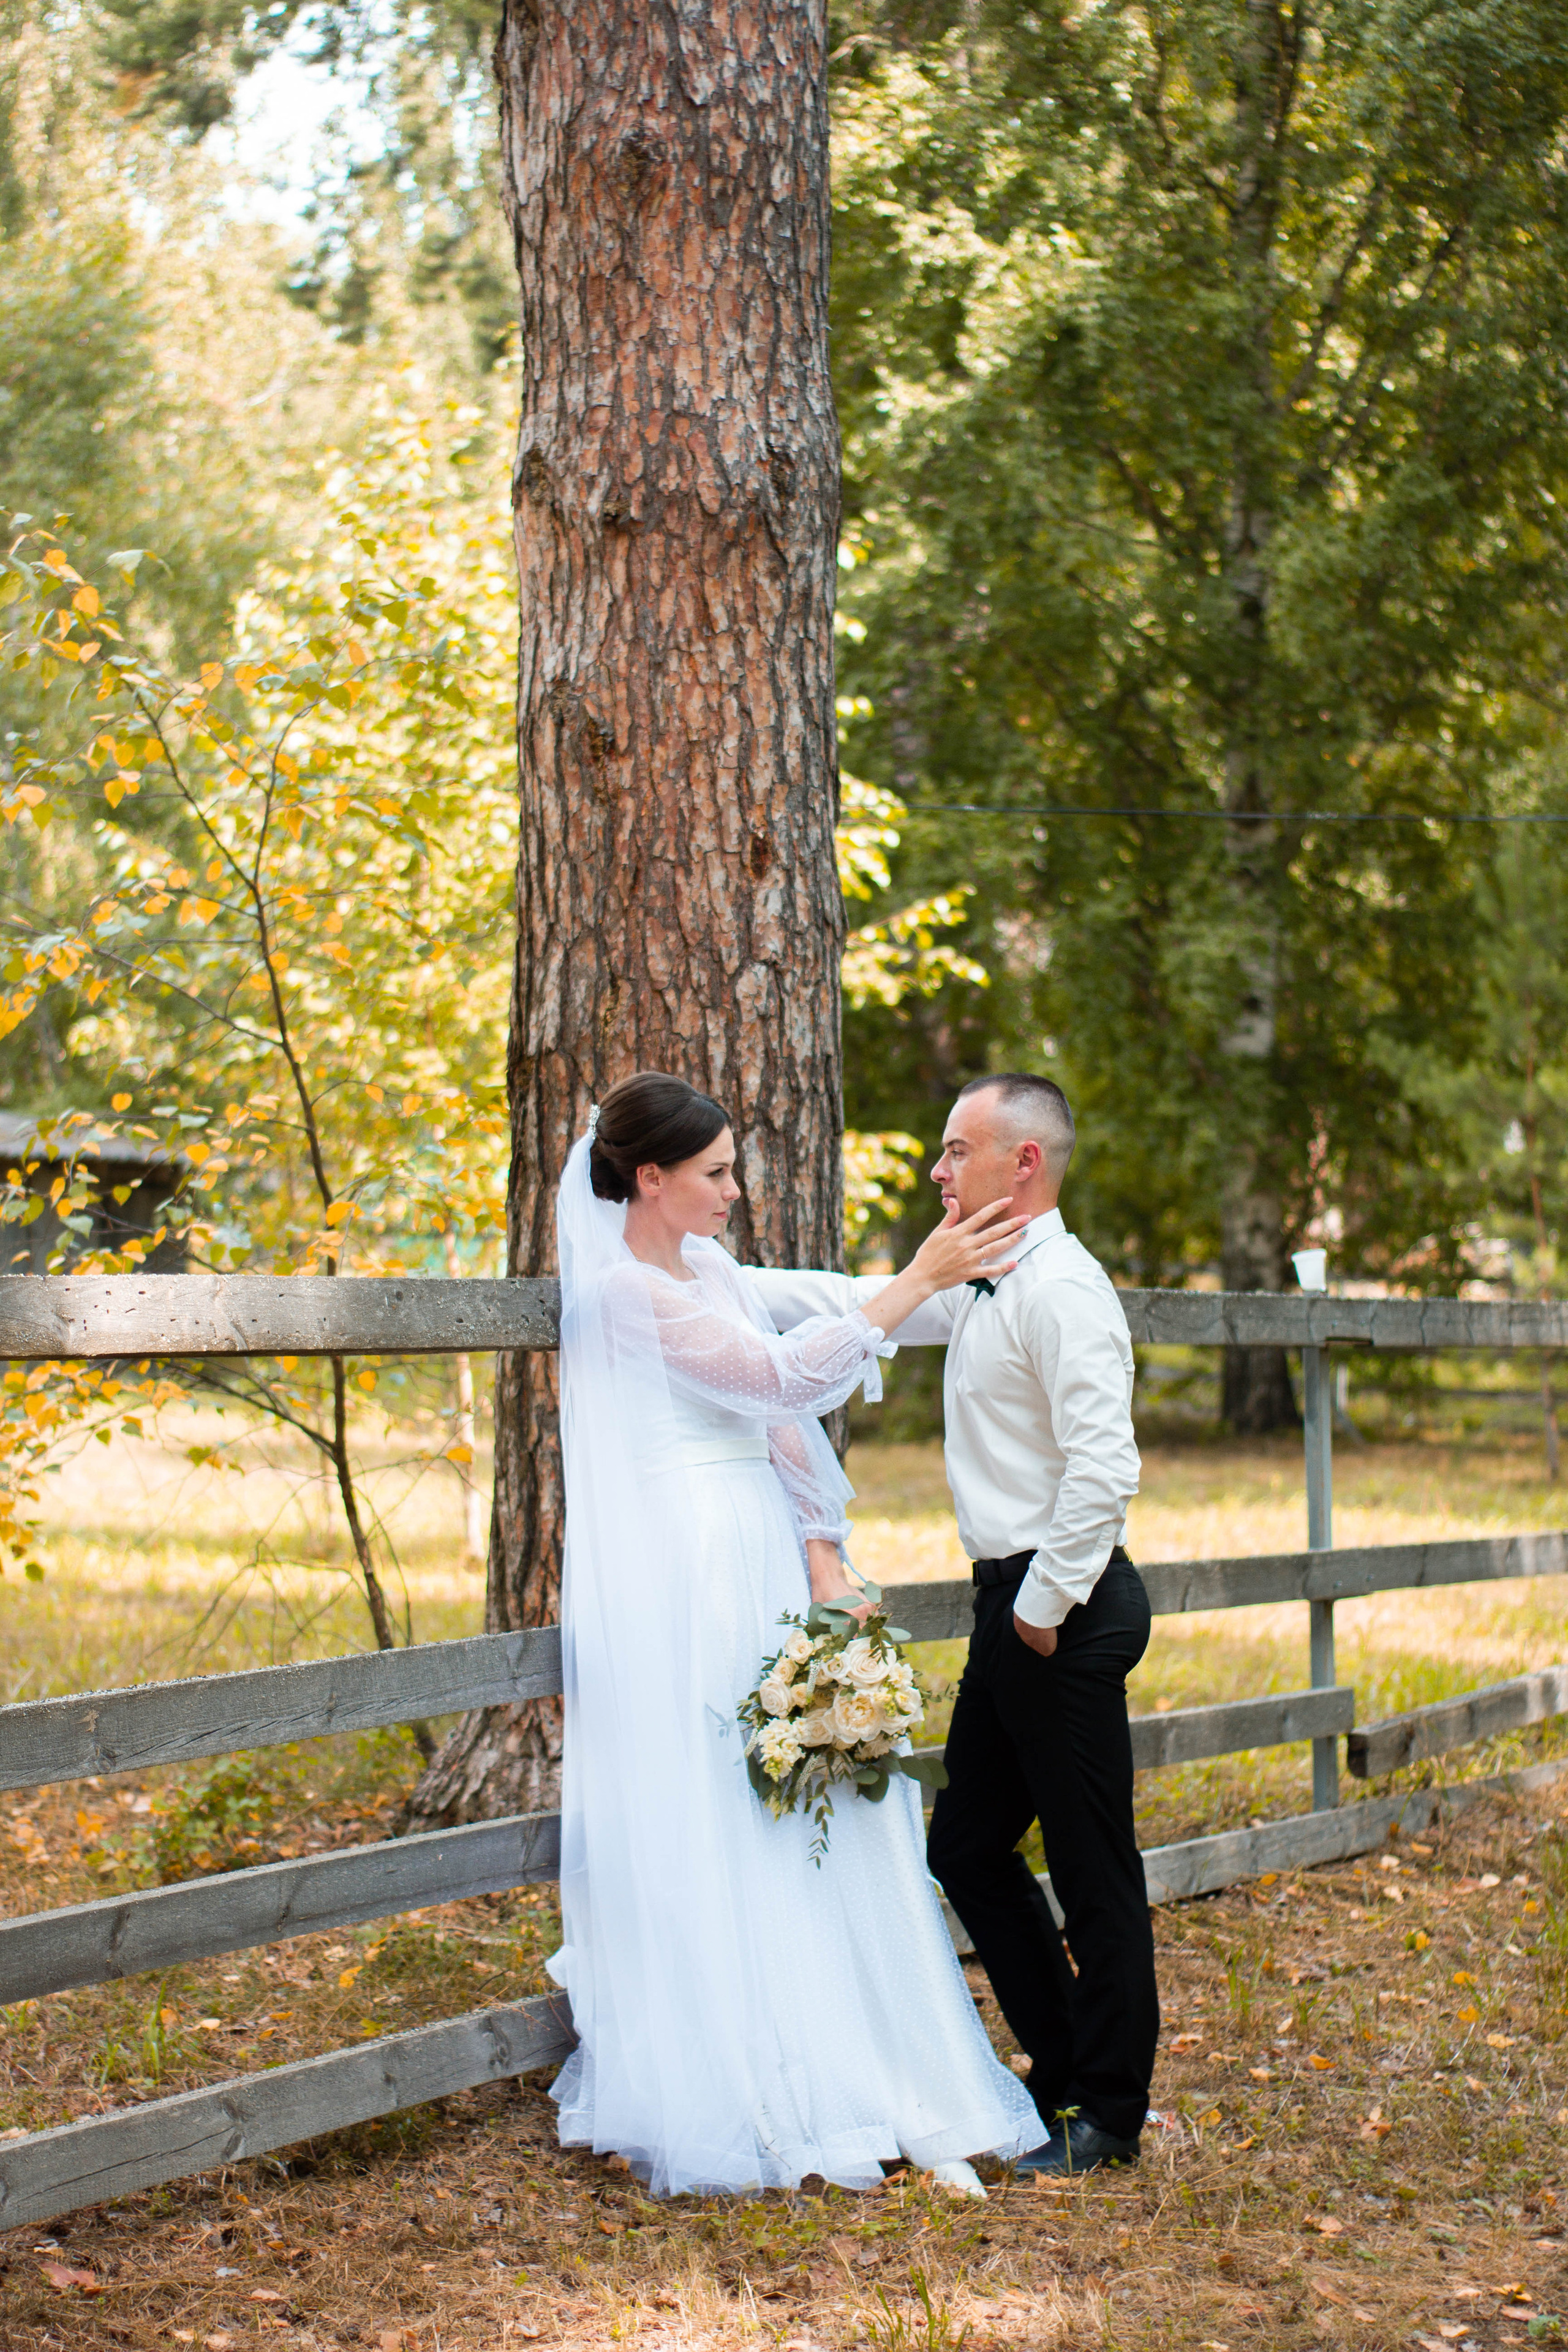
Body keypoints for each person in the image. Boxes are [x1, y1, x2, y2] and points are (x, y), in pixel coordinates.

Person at [547, 1069, 1042, 2198]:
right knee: (729, 1793)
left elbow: (784, 1403)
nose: (734, 1190)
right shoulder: (625, 1295)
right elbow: (772, 1373)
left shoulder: (709, 1266)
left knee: (813, 1781)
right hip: (687, 1564)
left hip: (761, 1547)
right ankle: (758, 2068)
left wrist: (822, 1545)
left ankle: (868, 2057)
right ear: (651, 1176)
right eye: (716, 1173)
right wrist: (918, 1277)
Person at [750, 1074, 1156, 2176]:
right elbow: (854, 1298)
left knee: (1091, 1864)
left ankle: (1109, 2115)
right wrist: (710, 1275)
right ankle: (1065, 2070)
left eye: (955, 1150)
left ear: (1022, 1163)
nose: (937, 1171)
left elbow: (1104, 1470)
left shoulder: (1063, 1289)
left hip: (1060, 1607)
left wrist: (1034, 1615)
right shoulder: (981, 1271)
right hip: (1012, 1605)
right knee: (967, 1848)